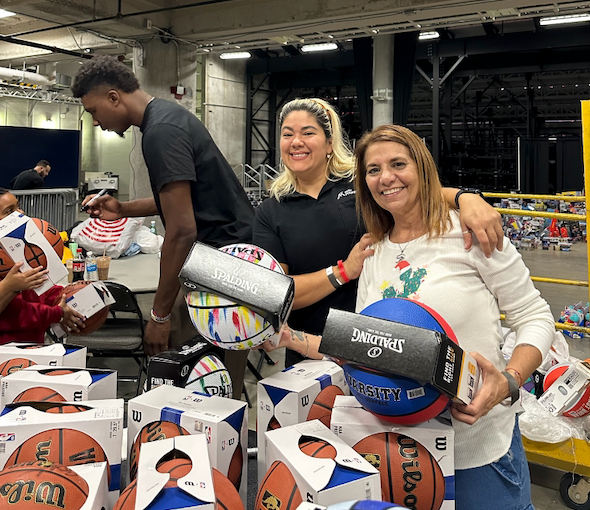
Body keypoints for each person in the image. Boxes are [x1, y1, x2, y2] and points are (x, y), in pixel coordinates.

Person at [272, 124, 555, 510]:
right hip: (404, 452)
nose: (386, 177)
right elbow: (365, 347)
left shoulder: (469, 233)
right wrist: (290, 338)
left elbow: (535, 315)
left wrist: (508, 381)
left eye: (398, 163)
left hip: (478, 444)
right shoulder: (374, 252)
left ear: (421, 167)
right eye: (373, 170)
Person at [253, 97, 505, 365]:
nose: (296, 142)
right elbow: (276, 293)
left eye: (308, 133)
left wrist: (465, 197)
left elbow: (415, 192)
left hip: (385, 341)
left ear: (329, 143)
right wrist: (342, 271)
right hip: (309, 351)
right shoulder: (271, 210)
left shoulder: (361, 184)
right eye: (287, 134)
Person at [71, 56, 254, 395]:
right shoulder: (170, 116)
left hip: (217, 268)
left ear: (114, 97)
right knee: (219, 378)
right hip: (225, 262)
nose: (95, 122)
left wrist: (158, 314)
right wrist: (124, 208)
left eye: (94, 111)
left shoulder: (160, 132)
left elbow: (183, 229)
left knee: (204, 385)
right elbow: (183, 201)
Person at [0, 188, 85, 342]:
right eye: (9, 211)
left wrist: (66, 295)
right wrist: (58, 312)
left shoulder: (20, 251)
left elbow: (39, 287)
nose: (20, 214)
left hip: (32, 346)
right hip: (8, 353)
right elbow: (17, 313)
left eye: (18, 207)